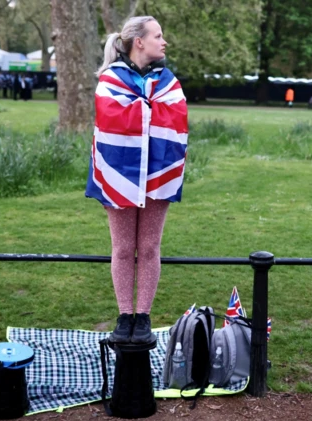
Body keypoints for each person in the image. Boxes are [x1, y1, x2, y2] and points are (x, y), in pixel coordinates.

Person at [85, 16, 188, 344]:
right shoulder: (111, 79)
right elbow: (110, 119)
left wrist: (144, 111)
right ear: (138, 42)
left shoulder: (168, 80)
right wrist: (148, 110)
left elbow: (176, 117)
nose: (164, 41)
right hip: (120, 172)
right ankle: (123, 315)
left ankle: (142, 316)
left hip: (157, 171)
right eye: (158, 36)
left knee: (149, 246)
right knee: (123, 247)